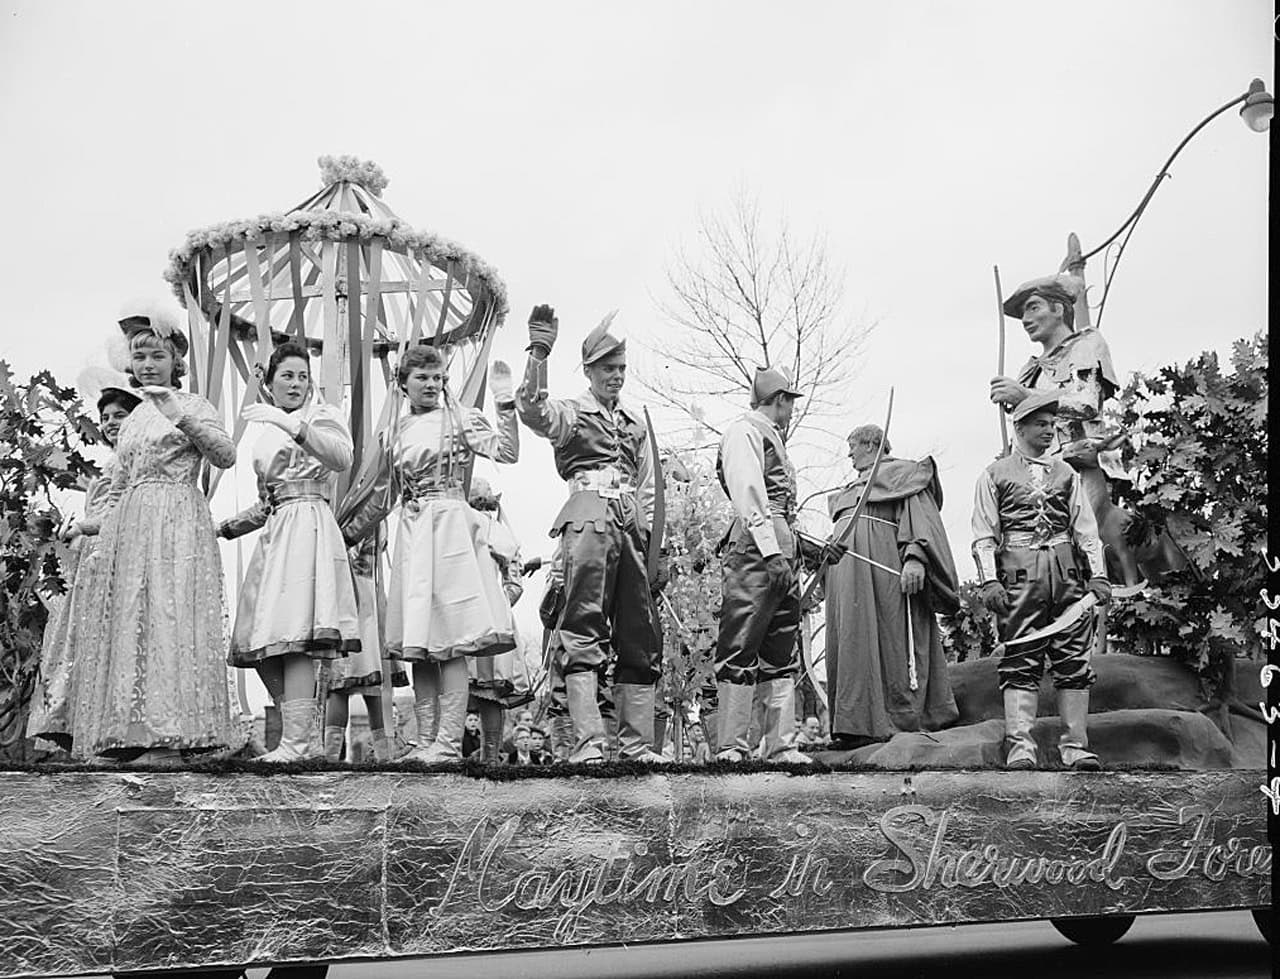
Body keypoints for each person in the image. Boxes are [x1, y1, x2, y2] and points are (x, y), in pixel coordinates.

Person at [70, 304, 239, 764]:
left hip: (178, 517)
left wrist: (180, 416)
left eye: (157, 357)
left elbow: (225, 456)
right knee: (135, 620)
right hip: (134, 524)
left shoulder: (193, 405)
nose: (148, 365)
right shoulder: (135, 419)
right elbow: (120, 486)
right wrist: (89, 525)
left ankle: (172, 735)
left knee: (171, 615)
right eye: (140, 358)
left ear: (175, 362)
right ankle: (132, 732)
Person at [343, 344, 518, 762]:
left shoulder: (460, 420)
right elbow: (382, 497)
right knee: (418, 639)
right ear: (403, 383)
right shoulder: (395, 433)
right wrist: (342, 535)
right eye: (422, 377)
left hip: (451, 531)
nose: (432, 384)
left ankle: (449, 740)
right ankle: (425, 740)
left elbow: (507, 453)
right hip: (414, 534)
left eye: (437, 377)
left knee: (452, 638)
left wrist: (505, 403)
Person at [516, 305, 663, 763]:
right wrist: (538, 353)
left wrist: (655, 548)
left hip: (629, 527)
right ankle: (588, 743)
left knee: (640, 632)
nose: (616, 376)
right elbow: (533, 411)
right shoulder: (574, 414)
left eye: (621, 368)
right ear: (590, 371)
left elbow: (649, 487)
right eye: (607, 368)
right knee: (582, 628)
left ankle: (637, 745)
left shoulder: (634, 425)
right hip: (586, 520)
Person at [216, 341, 360, 762]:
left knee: (293, 638)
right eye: (288, 376)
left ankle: (296, 743)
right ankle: (305, 735)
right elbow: (267, 504)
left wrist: (293, 424)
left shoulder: (323, 416)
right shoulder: (263, 434)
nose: (297, 383)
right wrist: (223, 528)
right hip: (277, 534)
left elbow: (340, 457)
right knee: (254, 642)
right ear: (269, 383)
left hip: (311, 525)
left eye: (302, 376)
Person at [971, 392, 1112, 770]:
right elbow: (984, 534)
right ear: (1019, 427)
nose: (1050, 431)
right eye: (1041, 424)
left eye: (1052, 425)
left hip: (1066, 577)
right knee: (1020, 658)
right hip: (1019, 578)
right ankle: (1021, 746)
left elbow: (1086, 530)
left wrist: (1098, 576)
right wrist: (989, 582)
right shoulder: (994, 475)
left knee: (1074, 659)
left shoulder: (1067, 474)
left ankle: (1076, 746)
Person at [819, 426, 961, 751]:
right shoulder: (849, 490)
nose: (850, 453)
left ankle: (898, 719)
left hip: (885, 576)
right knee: (853, 644)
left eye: (853, 446)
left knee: (891, 639)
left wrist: (915, 558)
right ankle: (854, 726)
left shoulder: (903, 475)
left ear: (871, 444)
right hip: (847, 582)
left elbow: (921, 519)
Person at [713, 367, 825, 764]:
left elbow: (780, 511)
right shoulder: (744, 431)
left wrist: (805, 550)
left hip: (781, 546)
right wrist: (771, 551)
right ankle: (731, 745)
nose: (792, 410)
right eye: (790, 402)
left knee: (782, 646)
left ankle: (781, 745)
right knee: (741, 641)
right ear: (779, 400)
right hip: (755, 549)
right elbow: (749, 494)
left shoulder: (773, 437)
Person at [27, 369, 140, 753]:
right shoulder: (109, 464)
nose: (110, 423)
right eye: (105, 417)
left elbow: (119, 510)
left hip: (114, 554)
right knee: (79, 641)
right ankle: (80, 726)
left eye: (119, 416)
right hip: (90, 558)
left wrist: (81, 527)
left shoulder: (131, 462)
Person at [988, 273, 1118, 464]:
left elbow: (1087, 402)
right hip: (1043, 473)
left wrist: (1026, 396)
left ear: (1057, 309)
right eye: (1023, 313)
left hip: (1082, 466)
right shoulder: (1029, 370)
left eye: (1033, 307)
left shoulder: (1084, 345)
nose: (1025, 319)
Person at [322, 536, 407, 763]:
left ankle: (330, 758)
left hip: (351, 596)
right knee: (373, 683)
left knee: (341, 685)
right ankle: (384, 756)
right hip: (370, 594)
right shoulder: (378, 513)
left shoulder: (350, 509)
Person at [467, 476, 533, 763]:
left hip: (480, 618)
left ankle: (489, 758)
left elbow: (514, 578)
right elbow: (515, 579)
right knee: (485, 691)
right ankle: (483, 757)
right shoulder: (485, 528)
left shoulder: (489, 530)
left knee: (488, 690)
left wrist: (499, 602)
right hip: (480, 617)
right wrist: (502, 601)